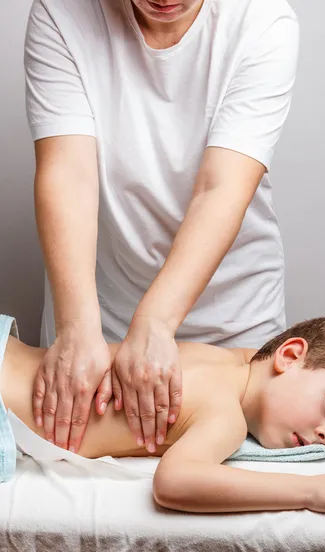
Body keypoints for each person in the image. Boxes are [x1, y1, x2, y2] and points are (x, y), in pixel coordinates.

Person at [24, 0, 301, 456]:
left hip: (231, 326)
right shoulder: (61, 12)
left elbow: (220, 188)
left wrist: (155, 322)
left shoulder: (263, 21)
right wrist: (77, 328)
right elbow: (68, 174)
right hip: (96, 324)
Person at [1, 313, 325, 520]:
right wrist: (313, 492)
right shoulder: (227, 417)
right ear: (290, 355)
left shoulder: (225, 360)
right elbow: (174, 482)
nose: (324, 435)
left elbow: (264, 358)